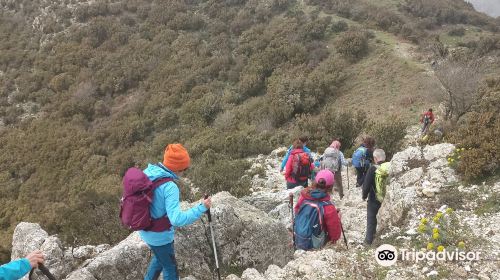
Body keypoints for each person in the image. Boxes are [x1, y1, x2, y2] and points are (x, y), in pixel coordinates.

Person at [140, 144, 211, 280]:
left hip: (145, 230)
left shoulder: (149, 172)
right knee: (170, 269)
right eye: (184, 168)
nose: (184, 171)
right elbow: (176, 219)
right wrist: (201, 207)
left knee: (160, 259)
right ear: (178, 168)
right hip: (160, 236)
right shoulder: (170, 187)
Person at [294, 170, 341, 249]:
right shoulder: (328, 206)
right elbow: (335, 235)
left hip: (298, 236)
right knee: (336, 217)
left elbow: (296, 211)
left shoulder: (304, 196)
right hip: (313, 243)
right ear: (331, 186)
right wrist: (337, 217)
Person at [362, 148, 387, 245]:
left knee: (371, 219)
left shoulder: (373, 168)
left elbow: (366, 185)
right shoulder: (389, 167)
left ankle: (368, 241)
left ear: (375, 158)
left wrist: (364, 196)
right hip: (387, 198)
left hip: (374, 198)